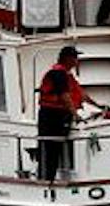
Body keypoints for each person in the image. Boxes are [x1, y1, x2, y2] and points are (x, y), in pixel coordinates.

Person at [36, 45, 95, 181]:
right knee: (50, 149)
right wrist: (75, 114)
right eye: (75, 58)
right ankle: (45, 180)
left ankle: (49, 177)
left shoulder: (67, 75)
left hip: (59, 115)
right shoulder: (58, 74)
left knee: (55, 149)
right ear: (68, 59)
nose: (77, 60)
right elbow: (64, 96)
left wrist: (97, 105)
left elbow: (81, 94)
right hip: (52, 116)